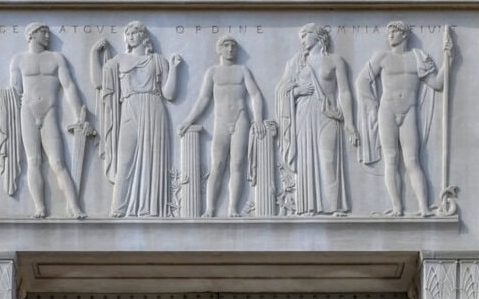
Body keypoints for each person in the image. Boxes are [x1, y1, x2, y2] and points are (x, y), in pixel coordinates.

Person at [0, 22, 93, 219]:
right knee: (33, 161)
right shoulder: (18, 60)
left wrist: (79, 114)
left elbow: (68, 86)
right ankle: (40, 207)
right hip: (28, 112)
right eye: (43, 32)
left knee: (58, 162)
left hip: (49, 111)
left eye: (47, 32)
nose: (47, 36)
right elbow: (15, 91)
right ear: (31, 35)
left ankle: (74, 207)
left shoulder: (56, 58)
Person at [90, 21, 181, 218]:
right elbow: (99, 82)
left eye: (135, 32)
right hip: (130, 110)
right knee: (125, 160)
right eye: (128, 33)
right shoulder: (119, 60)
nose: (131, 35)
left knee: (151, 161)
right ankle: (119, 208)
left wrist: (174, 69)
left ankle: (150, 209)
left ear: (143, 36)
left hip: (154, 110)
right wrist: (93, 55)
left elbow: (170, 94)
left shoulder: (157, 60)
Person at [359, 19, 447, 217]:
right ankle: (397, 207)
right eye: (388, 32)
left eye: (394, 32)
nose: (390, 35)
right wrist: (372, 105)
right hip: (387, 110)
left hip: (409, 110)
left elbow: (437, 84)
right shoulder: (382, 57)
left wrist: (448, 60)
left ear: (404, 34)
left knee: (412, 160)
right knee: (391, 159)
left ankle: (423, 207)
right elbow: (362, 81)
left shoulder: (418, 57)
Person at [178, 36, 268, 217]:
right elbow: (204, 99)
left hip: (241, 118)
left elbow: (255, 95)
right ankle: (210, 209)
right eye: (226, 46)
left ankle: (233, 208)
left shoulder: (242, 70)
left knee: (237, 164)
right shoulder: (213, 72)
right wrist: (189, 119)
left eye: (233, 46)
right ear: (219, 49)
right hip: (221, 121)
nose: (229, 49)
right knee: (217, 165)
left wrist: (258, 119)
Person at [274, 23, 358, 216]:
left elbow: (344, 92)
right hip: (304, 113)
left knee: (328, 160)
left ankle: (334, 207)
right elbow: (282, 90)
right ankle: (308, 207)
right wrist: (297, 91)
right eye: (300, 37)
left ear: (318, 36)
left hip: (328, 114)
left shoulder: (335, 61)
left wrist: (351, 124)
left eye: (305, 35)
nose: (302, 40)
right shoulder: (296, 62)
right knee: (307, 162)